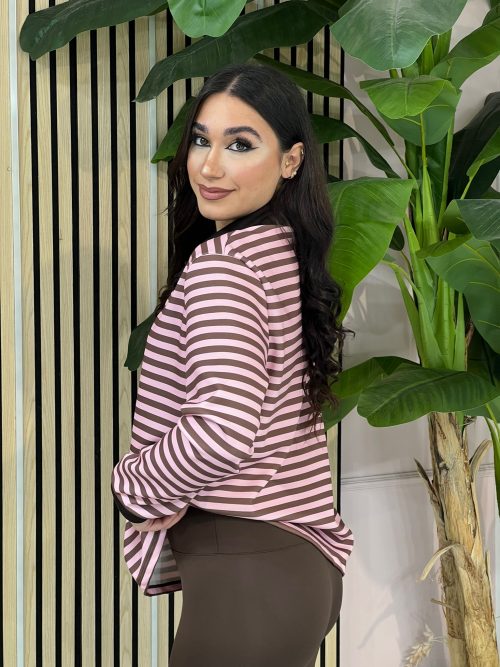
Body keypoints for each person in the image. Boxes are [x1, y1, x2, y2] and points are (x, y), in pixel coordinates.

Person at [110, 61, 355, 667]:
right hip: (295, 566)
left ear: (291, 160)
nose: (209, 166)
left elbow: (221, 427)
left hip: (248, 572)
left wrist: (136, 487)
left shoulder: (225, 267)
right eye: (201, 140)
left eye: (240, 145)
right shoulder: (281, 254)